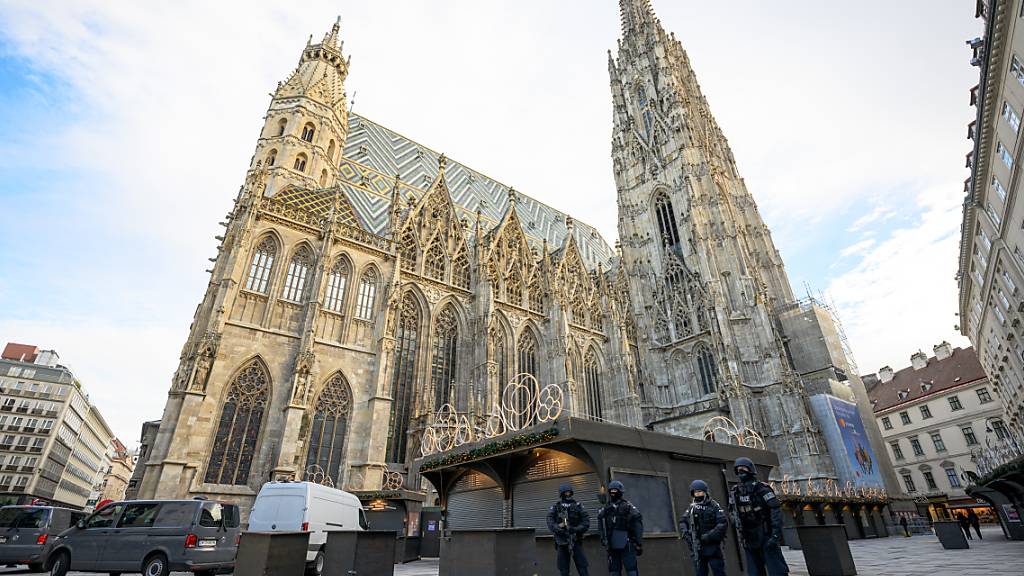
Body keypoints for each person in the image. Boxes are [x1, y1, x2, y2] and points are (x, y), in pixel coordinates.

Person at [729, 457, 788, 576]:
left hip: (765, 534)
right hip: (748, 537)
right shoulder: (736, 491)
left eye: (743, 469)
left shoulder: (762, 488)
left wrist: (775, 535)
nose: (741, 472)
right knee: (754, 572)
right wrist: (735, 521)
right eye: (738, 470)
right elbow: (731, 511)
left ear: (750, 469)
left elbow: (775, 510)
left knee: (776, 570)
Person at [680, 479, 728, 576]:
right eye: (695, 492)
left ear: (705, 492)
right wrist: (686, 533)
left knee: (718, 572)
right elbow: (683, 521)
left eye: (699, 492)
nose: (697, 494)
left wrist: (709, 536)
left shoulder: (714, 506)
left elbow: (722, 524)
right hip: (697, 548)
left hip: (712, 547)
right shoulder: (692, 508)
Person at [597, 480, 643, 576]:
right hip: (612, 543)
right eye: (612, 491)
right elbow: (601, 525)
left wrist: (638, 542)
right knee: (614, 571)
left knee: (631, 570)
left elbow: (637, 523)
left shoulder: (627, 506)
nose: (613, 493)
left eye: (615, 490)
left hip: (627, 542)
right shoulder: (606, 509)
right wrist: (603, 539)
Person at [547, 483, 591, 576]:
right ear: (561, 494)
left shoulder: (578, 506)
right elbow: (550, 522)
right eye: (565, 493)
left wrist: (574, 529)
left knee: (583, 568)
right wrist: (559, 527)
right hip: (562, 542)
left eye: (569, 492)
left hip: (575, 540)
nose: (567, 494)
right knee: (564, 570)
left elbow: (586, 523)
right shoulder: (556, 507)